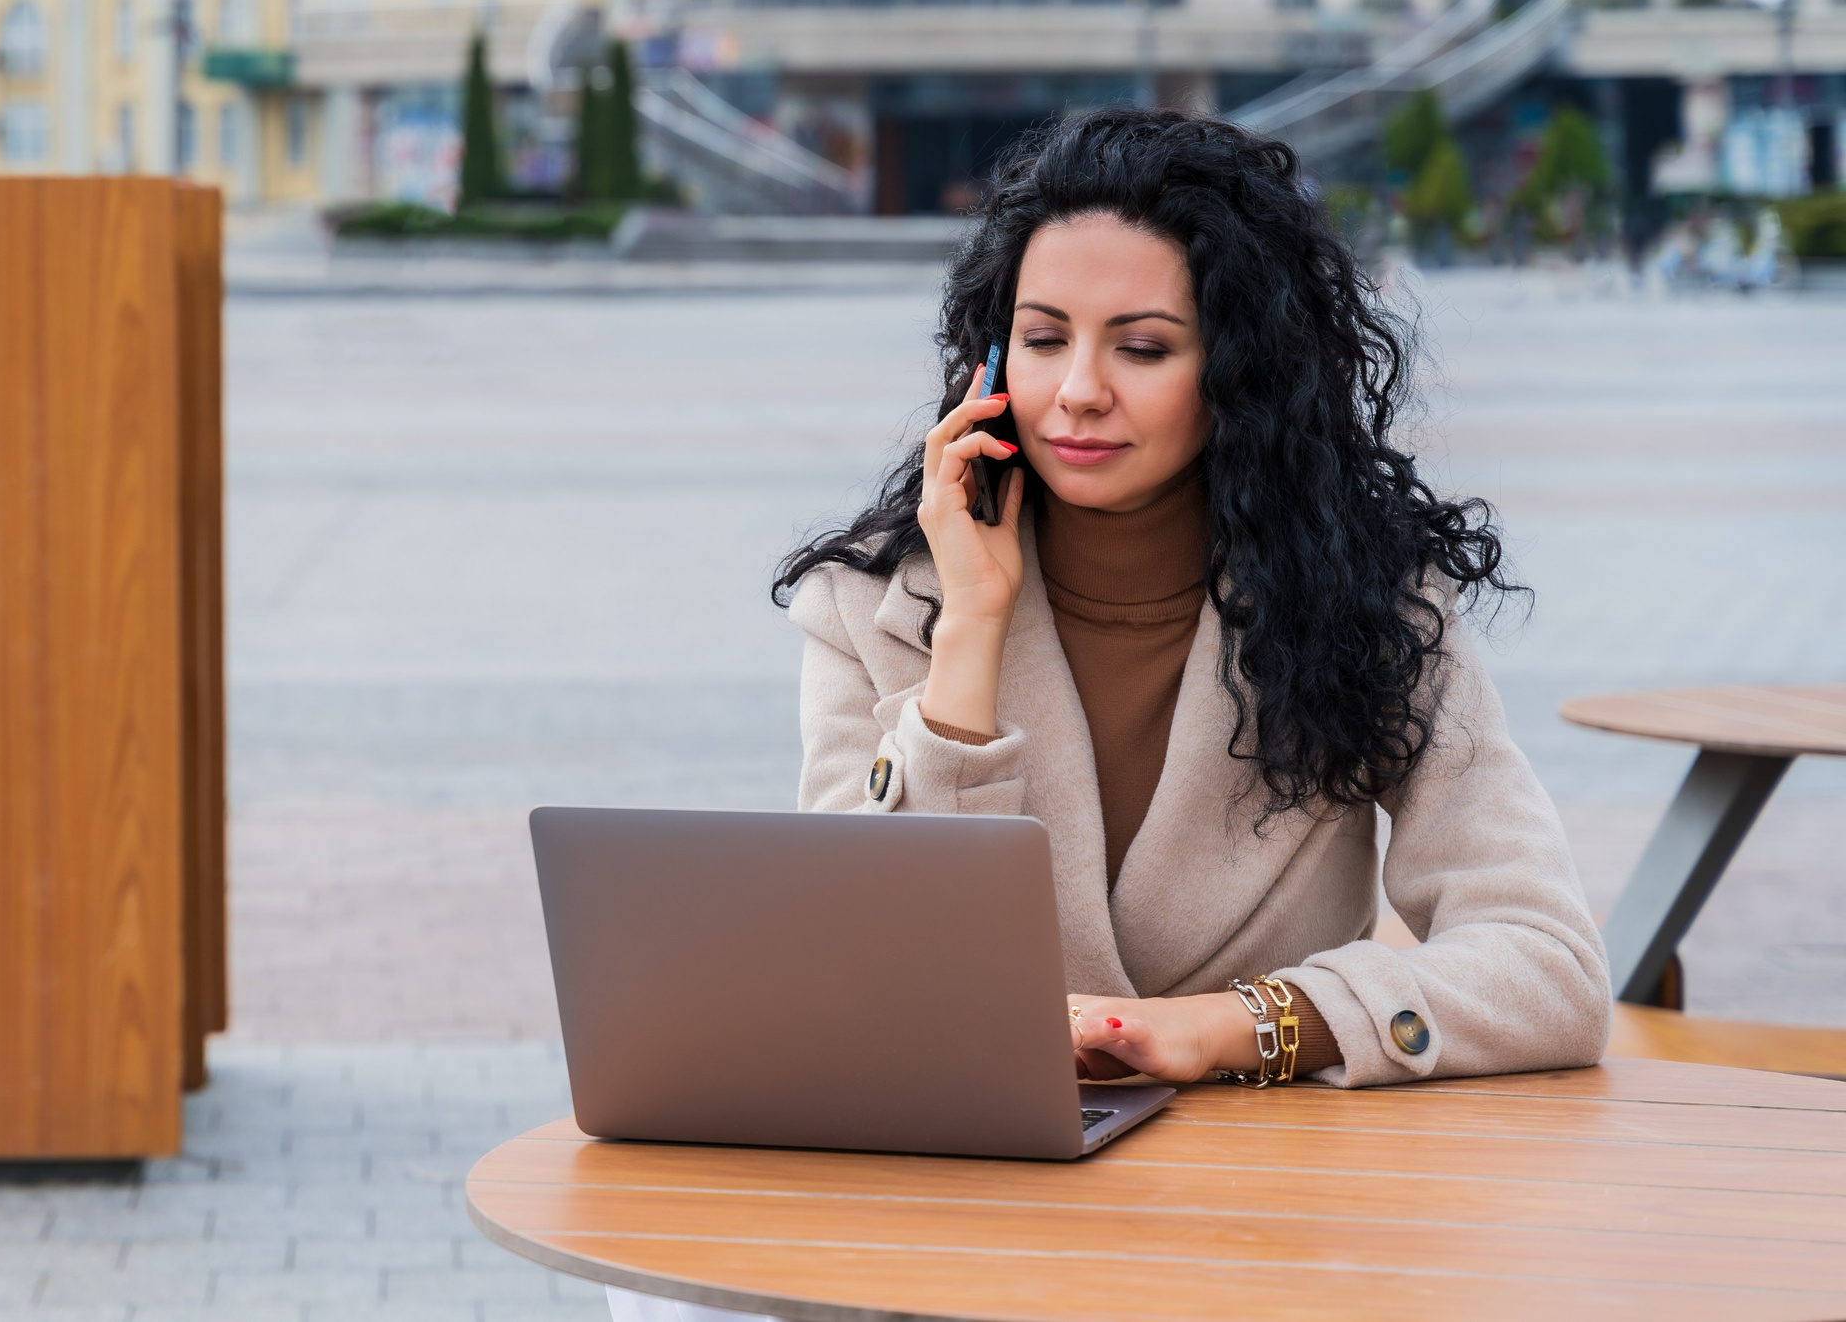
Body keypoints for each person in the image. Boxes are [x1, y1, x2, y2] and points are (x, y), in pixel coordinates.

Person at [601, 108, 1610, 1322]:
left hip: (1260, 1218)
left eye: (1141, 347)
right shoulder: (871, 608)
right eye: (1041, 340)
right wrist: (968, 636)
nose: (1076, 393)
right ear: (989, 364)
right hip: (950, 1211)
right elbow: (864, 978)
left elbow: (1547, 965)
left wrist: (1240, 1029)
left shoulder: (1369, 603)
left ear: (1238, 367)